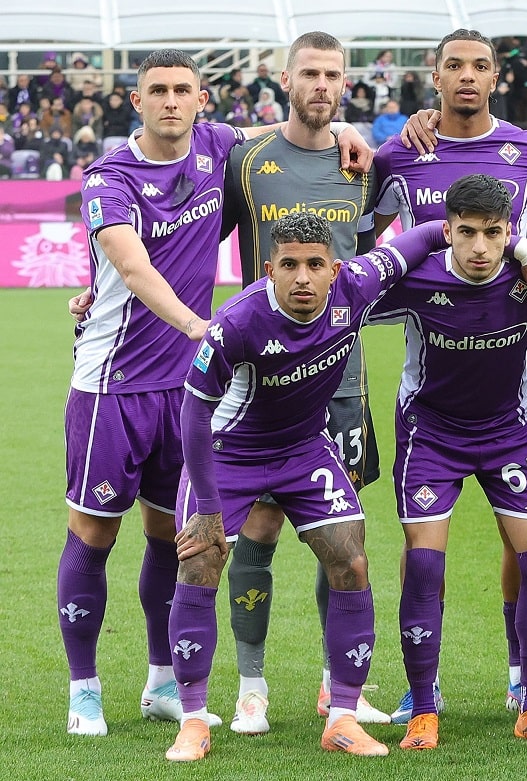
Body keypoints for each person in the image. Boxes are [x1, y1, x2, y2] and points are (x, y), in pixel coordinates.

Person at [60, 47, 372, 739]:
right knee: (94, 533)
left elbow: (298, 126)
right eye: (158, 90)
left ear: (202, 100)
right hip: (113, 386)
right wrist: (199, 326)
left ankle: (161, 682)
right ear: (136, 102)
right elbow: (133, 268)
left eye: (183, 90)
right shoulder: (109, 176)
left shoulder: (218, 144)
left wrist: (349, 129)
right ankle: (84, 689)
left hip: (189, 391)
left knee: (172, 536)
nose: (171, 101)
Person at [163, 213, 459, 761]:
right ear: (270, 269)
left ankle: (342, 716)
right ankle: (193, 719)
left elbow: (420, 238)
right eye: (290, 265)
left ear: (335, 270)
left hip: (303, 449)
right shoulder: (238, 322)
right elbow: (194, 413)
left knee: (351, 560)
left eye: (315, 265)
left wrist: (497, 239)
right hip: (231, 453)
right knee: (199, 560)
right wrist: (206, 507)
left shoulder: (358, 287)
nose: (303, 277)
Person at [375, 27, 527, 724]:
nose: (467, 76)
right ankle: (421, 686)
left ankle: (525, 679)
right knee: (422, 548)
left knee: (524, 541)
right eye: (454, 66)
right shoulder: (400, 155)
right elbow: (361, 241)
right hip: (431, 379)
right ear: (434, 76)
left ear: (496, 77)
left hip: (515, 380)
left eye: (480, 66)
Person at [219, 29, 390, 736]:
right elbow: (193, 240)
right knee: (256, 529)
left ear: (345, 84)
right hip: (262, 381)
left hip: (342, 380)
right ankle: (250, 687)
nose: (322, 86)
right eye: (310, 74)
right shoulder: (247, 160)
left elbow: (370, 258)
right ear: (285, 80)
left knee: (340, 535)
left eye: (333, 76)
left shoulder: (365, 166)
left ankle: (335, 684)